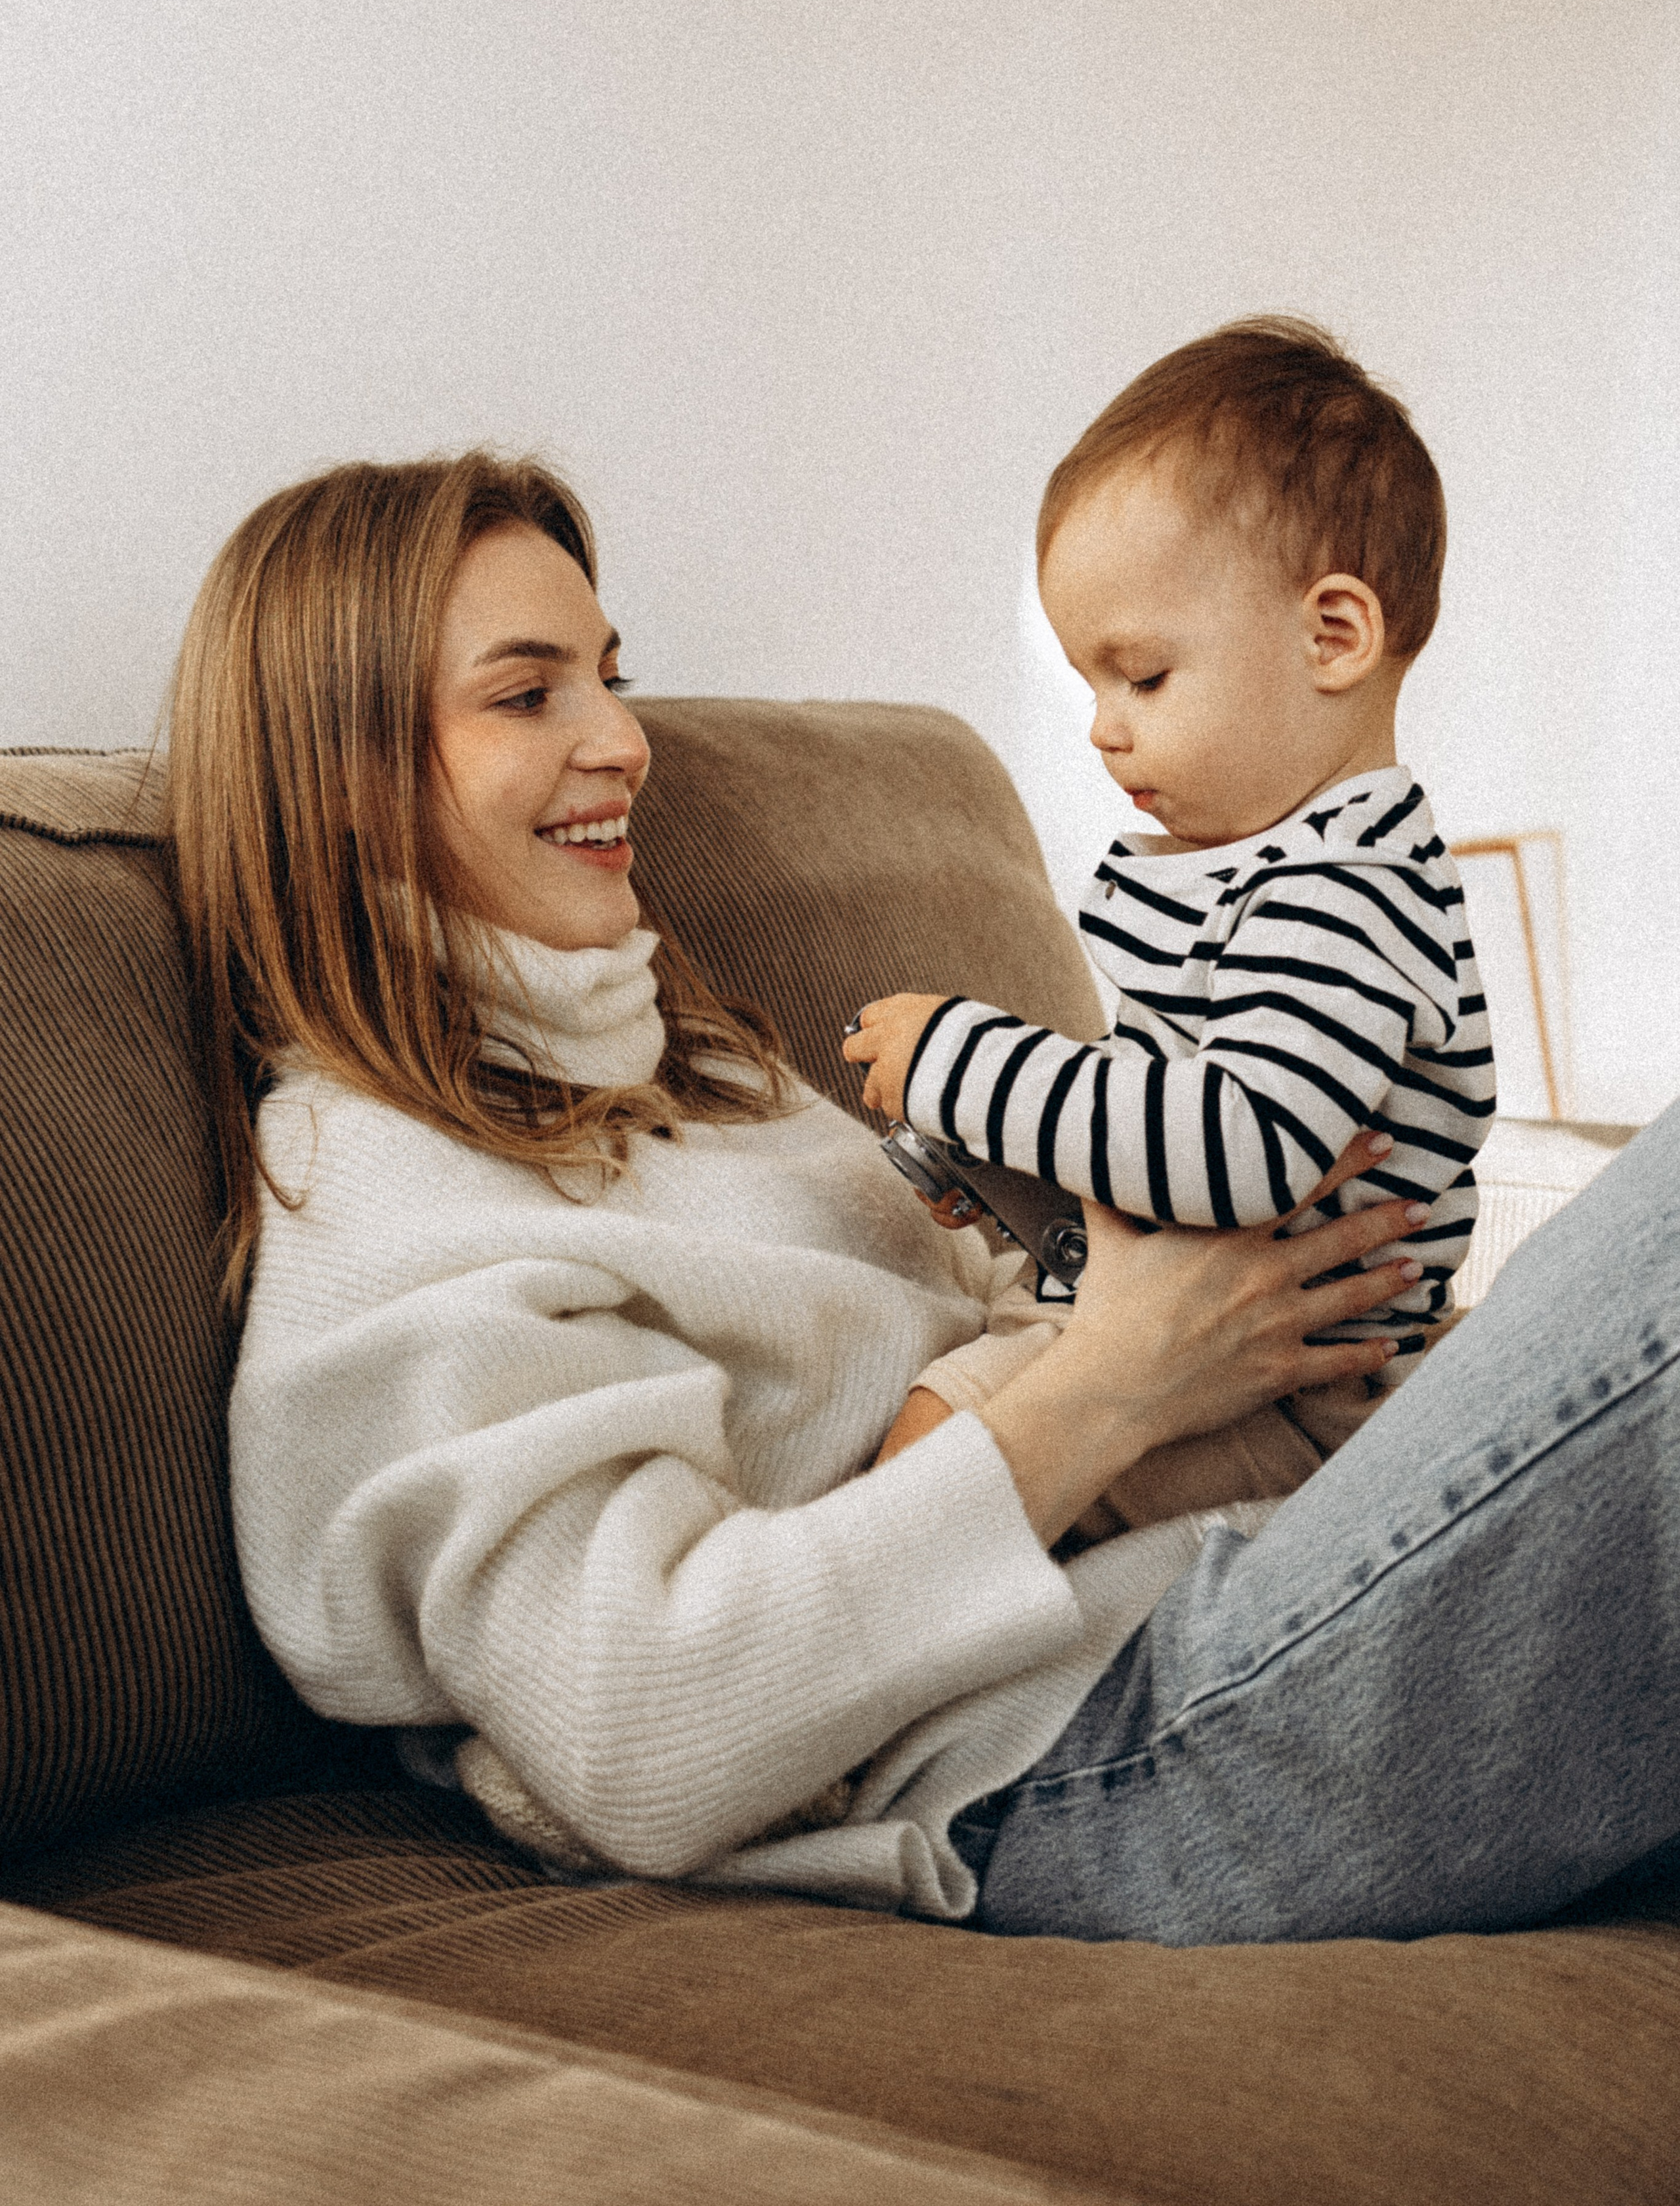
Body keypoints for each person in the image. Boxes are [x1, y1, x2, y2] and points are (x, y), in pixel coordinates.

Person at [173, 448, 1678, 1945]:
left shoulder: (697, 1073)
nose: (623, 741)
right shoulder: (381, 1201)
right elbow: (640, 1730)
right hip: (1091, 1747)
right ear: (345, 777)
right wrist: (1118, 1379)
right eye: (528, 694)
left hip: (1261, 1551)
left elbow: (995, 1329)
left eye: (609, 677)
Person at [845, 321, 1496, 1450]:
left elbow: (1243, 1145)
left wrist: (968, 1063)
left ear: (1333, 635)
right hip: (1198, 1353)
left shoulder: (1348, 892)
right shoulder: (1281, 868)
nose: (1104, 729)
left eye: (1142, 675)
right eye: (1092, 682)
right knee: (928, 1419)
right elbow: (1167, 1121)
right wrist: (1016, 1173)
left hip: (1292, 1408)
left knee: (933, 1451)